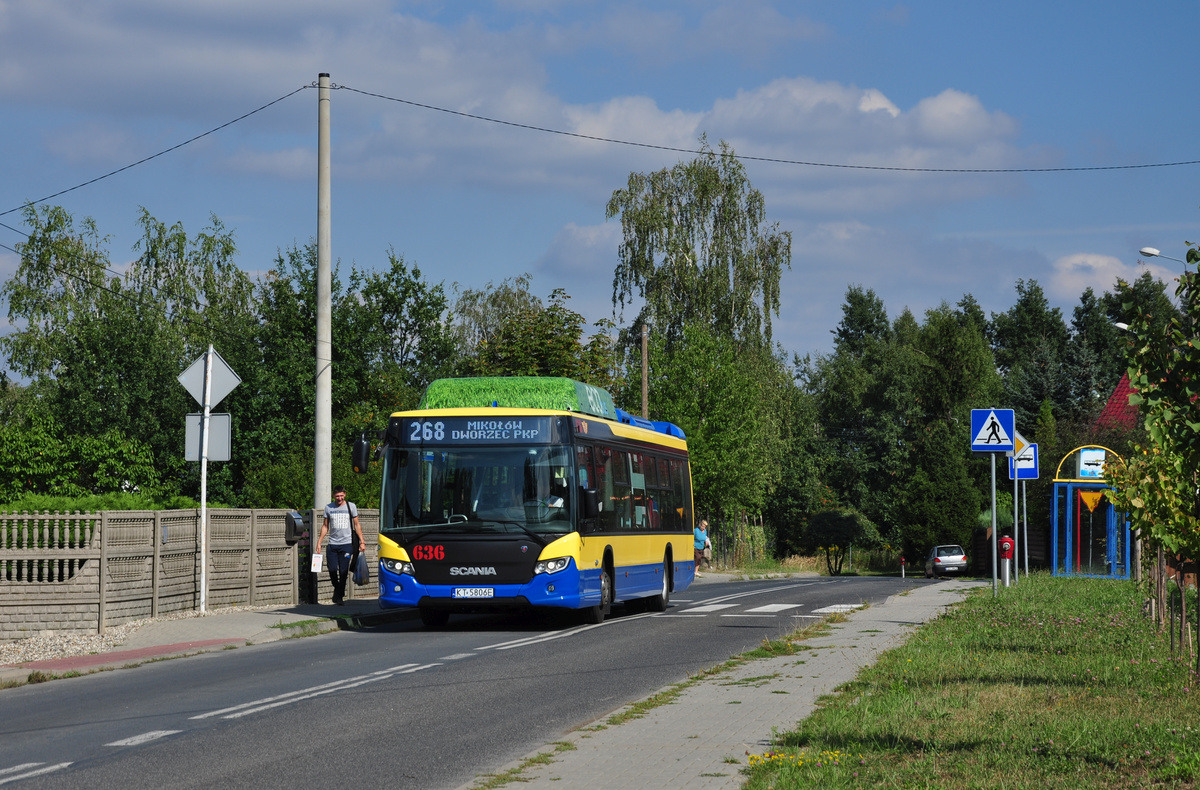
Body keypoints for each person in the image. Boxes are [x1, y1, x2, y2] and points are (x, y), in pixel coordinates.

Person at [315, 484, 365, 605]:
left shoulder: (351, 506)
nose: (340, 498)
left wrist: (362, 541)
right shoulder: (329, 508)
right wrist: (319, 542)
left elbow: (357, 525)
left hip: (346, 544)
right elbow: (325, 526)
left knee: (343, 571)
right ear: (333, 496)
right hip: (332, 544)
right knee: (332, 569)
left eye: (342, 496)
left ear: (345, 494)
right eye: (337, 496)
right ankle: (338, 590)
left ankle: (339, 597)